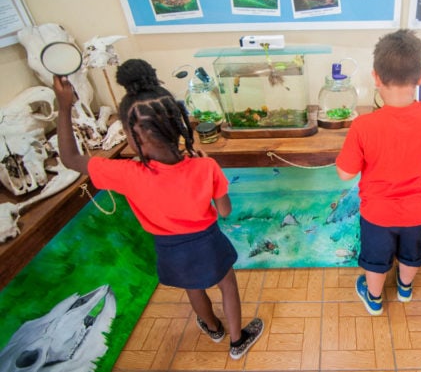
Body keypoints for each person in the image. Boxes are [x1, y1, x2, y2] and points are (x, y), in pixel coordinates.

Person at [52, 59, 263, 360]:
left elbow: (71, 158)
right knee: (226, 285)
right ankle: (236, 340)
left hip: (169, 249)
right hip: (207, 241)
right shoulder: (206, 167)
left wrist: (63, 106)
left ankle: (213, 328)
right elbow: (225, 211)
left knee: (193, 288)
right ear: (178, 123)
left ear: (132, 134)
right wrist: (207, 171)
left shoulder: (125, 173)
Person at [335, 29, 421, 315]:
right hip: (418, 210)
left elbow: (345, 174)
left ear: (375, 77)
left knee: (376, 259)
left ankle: (374, 299)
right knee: (412, 254)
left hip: (379, 214)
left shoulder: (363, 126)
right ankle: (404, 290)